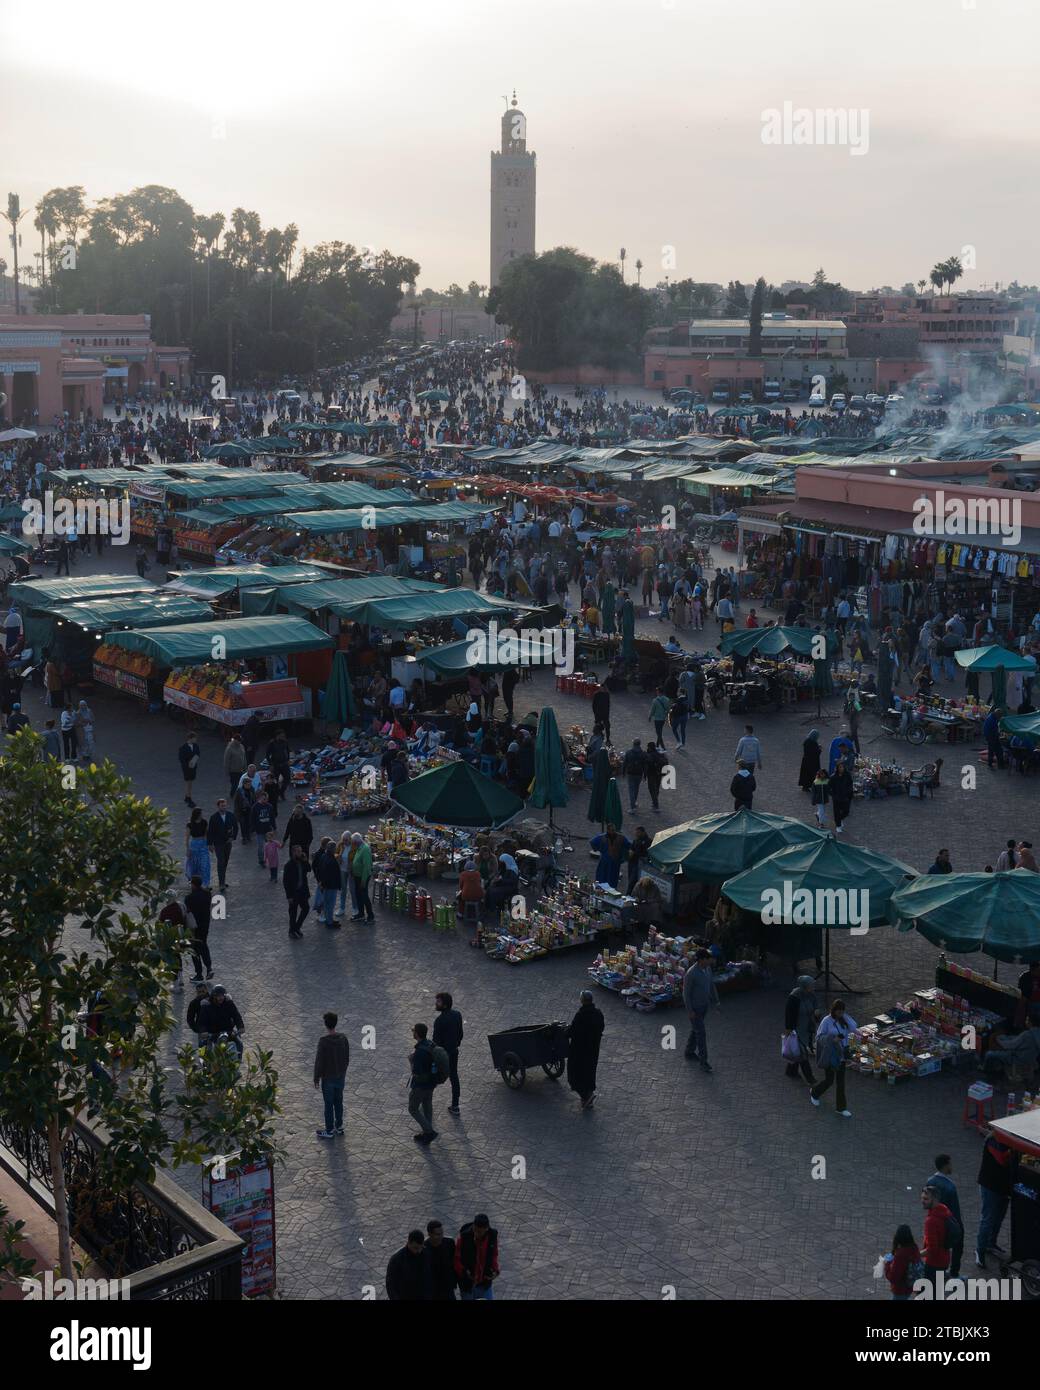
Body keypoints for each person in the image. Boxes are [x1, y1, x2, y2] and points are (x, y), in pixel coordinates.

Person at [810, 1000, 858, 1116]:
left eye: (842, 1011)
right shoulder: (826, 1021)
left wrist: (845, 1016)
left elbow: (854, 1027)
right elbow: (819, 1037)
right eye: (838, 1011)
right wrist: (832, 1039)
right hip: (831, 1053)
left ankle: (841, 1108)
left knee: (841, 1082)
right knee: (829, 1080)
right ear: (834, 1010)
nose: (840, 1014)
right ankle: (815, 1093)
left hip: (842, 1054)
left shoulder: (844, 1019)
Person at [975, 1132, 1012, 1268]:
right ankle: (980, 1250)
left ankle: (991, 1243)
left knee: (999, 1217)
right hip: (990, 1186)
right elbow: (1002, 1159)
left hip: (1004, 1187)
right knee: (988, 1219)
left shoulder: (1008, 1139)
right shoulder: (993, 1139)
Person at [313, 1010, 350, 1139]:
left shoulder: (323, 1041)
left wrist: (316, 1078)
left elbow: (319, 1061)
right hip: (340, 1076)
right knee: (338, 1101)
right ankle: (339, 1126)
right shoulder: (343, 1038)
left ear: (326, 1024)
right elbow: (347, 1057)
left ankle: (329, 1130)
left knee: (328, 1105)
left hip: (328, 1078)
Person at [566, 989, 605, 1109]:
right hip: (593, 1050)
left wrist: (565, 1032)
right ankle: (588, 1098)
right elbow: (601, 1028)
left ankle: (585, 1096)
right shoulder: (598, 1013)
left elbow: (572, 1032)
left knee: (574, 1074)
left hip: (579, 1051)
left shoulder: (581, 1015)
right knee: (589, 1072)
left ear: (582, 1000)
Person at [683, 948, 719, 1073]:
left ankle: (689, 1051)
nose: (711, 961)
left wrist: (716, 1001)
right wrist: (690, 1011)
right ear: (703, 959)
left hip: (704, 1007)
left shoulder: (707, 969)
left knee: (696, 1030)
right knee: (701, 1033)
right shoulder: (691, 973)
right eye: (709, 958)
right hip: (695, 1009)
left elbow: (711, 985)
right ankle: (703, 1061)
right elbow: (686, 994)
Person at [926, 1155, 964, 1278]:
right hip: (947, 1222)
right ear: (945, 1165)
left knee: (935, 1246)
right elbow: (955, 1211)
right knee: (957, 1246)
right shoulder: (950, 1187)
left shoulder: (930, 1181)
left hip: (934, 1220)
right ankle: (954, 1273)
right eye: (950, 1164)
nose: (951, 1166)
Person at [432, 991, 464, 1115]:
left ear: (444, 1005)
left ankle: (425, 1101)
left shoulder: (439, 1021)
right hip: (453, 1051)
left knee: (433, 1076)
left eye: (438, 1001)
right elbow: (460, 1034)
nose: (436, 1003)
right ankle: (455, 1106)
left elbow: (436, 1041)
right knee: (454, 1077)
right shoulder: (457, 1015)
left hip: (442, 1054)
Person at [454, 1215, 499, 1301]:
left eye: (480, 1232)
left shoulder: (492, 1236)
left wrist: (495, 1270)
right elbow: (457, 1259)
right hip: (468, 1285)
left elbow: (494, 1255)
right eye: (475, 1230)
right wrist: (464, 1272)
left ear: (486, 1229)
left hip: (484, 1283)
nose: (476, 1234)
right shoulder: (464, 1238)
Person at [783, 976, 818, 1084]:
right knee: (803, 1053)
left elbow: (815, 1006)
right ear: (805, 986)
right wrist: (789, 1029)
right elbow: (789, 1014)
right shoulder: (794, 997)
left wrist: (817, 1012)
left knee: (797, 1051)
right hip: (796, 1029)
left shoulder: (811, 995)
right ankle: (809, 1076)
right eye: (811, 985)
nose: (813, 987)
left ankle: (791, 1070)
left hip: (806, 1027)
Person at [919, 1185, 954, 1291]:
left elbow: (932, 1249)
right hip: (944, 1259)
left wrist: (916, 1255)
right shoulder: (944, 1210)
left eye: (926, 1199)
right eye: (922, 1198)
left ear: (934, 1200)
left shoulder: (931, 1221)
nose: (922, 1201)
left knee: (924, 1293)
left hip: (933, 1264)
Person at [408, 1021, 437, 1144]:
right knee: (427, 1107)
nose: (412, 1032)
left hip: (420, 1086)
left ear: (417, 1034)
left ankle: (429, 1131)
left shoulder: (419, 1052)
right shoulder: (430, 1044)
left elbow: (416, 1073)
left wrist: (411, 1061)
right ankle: (426, 1133)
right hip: (431, 1083)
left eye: (413, 1030)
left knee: (413, 1108)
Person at [185, 876, 214, 983]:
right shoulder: (207, 894)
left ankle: (199, 974)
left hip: (194, 927)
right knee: (204, 945)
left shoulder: (189, 898)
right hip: (205, 925)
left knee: (194, 950)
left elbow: (187, 913)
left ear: (193, 884)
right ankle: (209, 967)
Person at [206, 798, 238, 893]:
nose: (224, 807)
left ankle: (222, 880)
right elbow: (210, 831)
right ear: (218, 806)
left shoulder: (231, 815)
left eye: (225, 805)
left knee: (225, 861)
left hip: (228, 842)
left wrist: (233, 837)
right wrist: (210, 844)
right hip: (218, 843)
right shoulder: (214, 817)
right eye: (222, 805)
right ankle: (221, 884)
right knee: (221, 861)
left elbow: (235, 827)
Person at [386, 1231, 428, 1301]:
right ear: (408, 1243)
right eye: (416, 1248)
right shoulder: (396, 1259)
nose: (419, 1251)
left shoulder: (425, 1253)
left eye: (421, 1247)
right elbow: (390, 1284)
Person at [883, 1225, 922, 1301]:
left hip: (900, 1289)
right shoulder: (914, 1247)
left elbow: (893, 1278)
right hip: (909, 1286)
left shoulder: (900, 1254)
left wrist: (887, 1265)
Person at [423, 1220, 458, 1301]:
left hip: (448, 1288)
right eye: (438, 1234)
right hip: (433, 1291)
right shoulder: (423, 1248)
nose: (441, 1236)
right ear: (429, 1234)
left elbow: (454, 1263)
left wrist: (453, 1281)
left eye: (442, 1233)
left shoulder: (449, 1243)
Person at [283, 843, 312, 939]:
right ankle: (292, 931)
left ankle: (296, 927)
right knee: (293, 912)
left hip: (302, 891)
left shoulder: (302, 861)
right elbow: (285, 882)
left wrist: (306, 860)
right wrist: (289, 896)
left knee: (306, 908)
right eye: (298, 851)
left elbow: (309, 869)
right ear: (294, 853)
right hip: (294, 893)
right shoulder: (289, 865)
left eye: (301, 851)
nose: (301, 853)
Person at [349, 831, 375, 923]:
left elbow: (366, 867)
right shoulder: (360, 848)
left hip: (362, 877)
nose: (352, 844)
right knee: (358, 895)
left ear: (356, 842)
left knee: (364, 896)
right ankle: (361, 914)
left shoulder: (365, 849)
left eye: (352, 842)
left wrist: (363, 881)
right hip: (357, 876)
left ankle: (370, 916)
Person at [250, 791, 277, 866]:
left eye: (266, 799)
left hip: (268, 830)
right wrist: (253, 829)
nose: (265, 800)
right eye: (264, 799)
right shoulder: (255, 807)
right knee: (261, 847)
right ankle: (261, 860)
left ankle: (269, 859)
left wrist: (274, 827)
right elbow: (252, 819)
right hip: (259, 830)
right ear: (260, 798)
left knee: (270, 846)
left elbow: (272, 817)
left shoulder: (270, 806)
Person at [178, 730, 201, 807]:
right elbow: (181, 759)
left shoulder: (196, 746)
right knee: (189, 782)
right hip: (187, 768)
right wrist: (188, 765)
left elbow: (198, 753)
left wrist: (194, 761)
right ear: (190, 738)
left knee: (190, 782)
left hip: (193, 767)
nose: (196, 740)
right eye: (194, 738)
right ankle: (188, 797)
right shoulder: (183, 748)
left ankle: (187, 796)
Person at [622, 738, 647, 810]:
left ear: (633, 744)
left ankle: (632, 807)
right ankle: (634, 803)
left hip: (630, 773)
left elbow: (625, 763)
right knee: (636, 789)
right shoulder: (643, 753)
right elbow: (645, 765)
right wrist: (645, 775)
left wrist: (623, 772)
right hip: (639, 773)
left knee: (631, 790)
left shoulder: (629, 752)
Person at [830, 759, 853, 835]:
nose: (841, 769)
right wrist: (833, 795)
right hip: (836, 798)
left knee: (846, 811)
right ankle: (838, 825)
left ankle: (839, 819)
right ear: (837, 768)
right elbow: (829, 787)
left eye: (842, 767)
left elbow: (850, 784)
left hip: (845, 796)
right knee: (836, 812)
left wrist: (849, 793)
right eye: (840, 767)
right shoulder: (833, 777)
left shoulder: (847, 775)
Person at [644, 741, 667, 812]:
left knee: (651, 789)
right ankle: (655, 801)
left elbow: (646, 766)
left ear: (650, 747)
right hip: (659, 774)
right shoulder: (659, 754)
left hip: (651, 774)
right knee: (656, 788)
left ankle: (655, 804)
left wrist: (645, 775)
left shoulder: (649, 755)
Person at [628, 826, 652, 893]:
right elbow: (632, 849)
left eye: (638, 833)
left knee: (633, 881)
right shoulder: (636, 840)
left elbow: (646, 854)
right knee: (630, 879)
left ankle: (629, 895)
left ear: (643, 832)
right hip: (632, 862)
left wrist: (635, 853)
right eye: (636, 833)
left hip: (639, 864)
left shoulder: (648, 841)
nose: (636, 834)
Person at [223, 733, 247, 799]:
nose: (240, 741)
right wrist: (227, 771)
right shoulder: (229, 748)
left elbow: (244, 757)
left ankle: (237, 794)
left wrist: (245, 766)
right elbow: (226, 761)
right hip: (233, 770)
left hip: (240, 769)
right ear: (235, 740)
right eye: (239, 740)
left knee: (240, 783)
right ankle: (232, 794)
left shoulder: (242, 746)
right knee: (235, 784)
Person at [591, 680, 611, 745]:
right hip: (598, 714)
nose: (602, 689)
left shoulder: (607, 694)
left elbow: (608, 705)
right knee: (598, 727)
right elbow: (593, 705)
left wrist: (607, 714)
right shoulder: (596, 694)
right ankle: (598, 738)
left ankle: (607, 739)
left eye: (604, 688)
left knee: (607, 727)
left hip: (605, 714)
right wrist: (595, 713)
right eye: (601, 688)